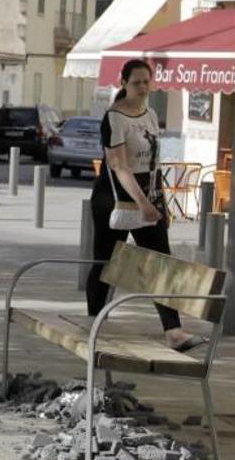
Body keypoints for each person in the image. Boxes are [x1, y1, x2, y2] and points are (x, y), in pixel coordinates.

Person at [85, 59, 207, 353]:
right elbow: (118, 166)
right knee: (105, 262)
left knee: (161, 262)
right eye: (136, 82)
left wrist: (160, 204)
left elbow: (153, 165)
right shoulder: (114, 118)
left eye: (146, 82)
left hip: (147, 195)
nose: (142, 87)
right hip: (114, 198)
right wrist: (142, 203)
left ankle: (174, 332)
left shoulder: (151, 114)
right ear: (124, 83)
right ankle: (92, 322)